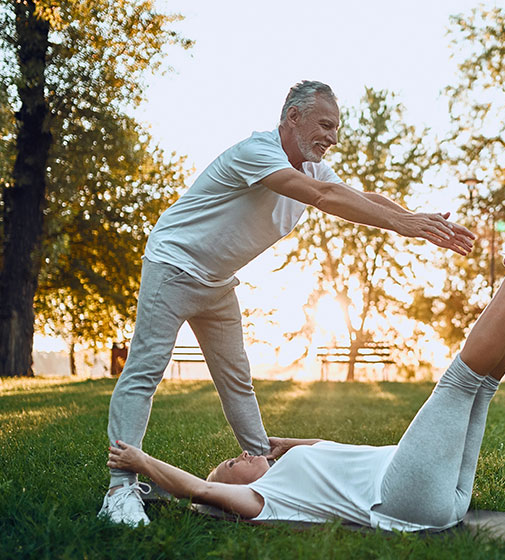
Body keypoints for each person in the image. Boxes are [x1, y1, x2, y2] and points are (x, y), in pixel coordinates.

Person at [99, 80, 476, 526]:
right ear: (292, 118)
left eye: (336, 128)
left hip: (217, 282)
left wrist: (411, 217)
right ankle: (119, 491)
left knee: (237, 380)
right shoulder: (257, 153)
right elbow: (322, 198)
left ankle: (266, 470)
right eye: (325, 125)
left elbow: (357, 197)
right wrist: (403, 224)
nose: (332, 137)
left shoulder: (314, 170)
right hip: (174, 264)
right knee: (145, 370)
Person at [105, 205, 505, 531]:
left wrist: (285, 443)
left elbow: (329, 447)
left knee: (482, 386)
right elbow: (200, 492)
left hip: (436, 497)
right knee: (460, 382)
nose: (240, 455)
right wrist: (140, 462)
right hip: (402, 495)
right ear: (235, 492)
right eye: (231, 464)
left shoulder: (287, 469)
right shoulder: (263, 499)